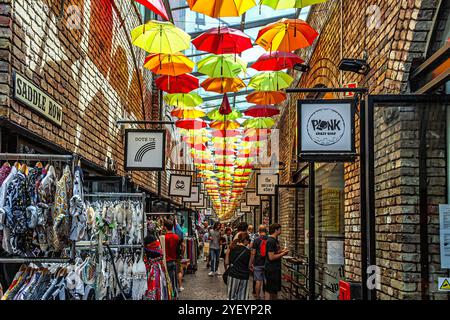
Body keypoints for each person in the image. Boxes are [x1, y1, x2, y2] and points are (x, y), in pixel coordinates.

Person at [264, 223, 289, 300]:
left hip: (275, 269)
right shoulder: (271, 241)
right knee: (270, 289)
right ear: (276, 230)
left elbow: (275, 252)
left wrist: (281, 251)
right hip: (271, 269)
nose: (281, 231)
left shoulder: (275, 240)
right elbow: (271, 257)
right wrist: (283, 254)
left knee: (274, 290)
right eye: (280, 229)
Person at [224, 232, 251, 300]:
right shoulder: (248, 251)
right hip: (244, 276)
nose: (248, 242)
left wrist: (227, 253)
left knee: (231, 297)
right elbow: (249, 265)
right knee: (242, 297)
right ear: (245, 240)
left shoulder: (232, 248)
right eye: (248, 240)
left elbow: (226, 262)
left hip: (233, 275)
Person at [162, 220, 181, 297]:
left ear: (165, 227)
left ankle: (171, 296)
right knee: (174, 280)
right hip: (174, 261)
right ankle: (175, 294)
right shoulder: (176, 237)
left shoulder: (164, 237)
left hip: (166, 262)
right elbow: (178, 250)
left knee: (167, 281)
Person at [250, 225, 268, 300]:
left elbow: (253, 253)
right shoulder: (269, 239)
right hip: (267, 263)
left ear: (259, 231)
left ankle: (257, 297)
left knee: (258, 281)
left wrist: (251, 263)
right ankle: (266, 296)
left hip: (258, 263)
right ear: (266, 231)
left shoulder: (256, 240)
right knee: (266, 281)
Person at [174, 218, 185, 293]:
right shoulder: (179, 233)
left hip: (169, 255)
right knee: (179, 271)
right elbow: (183, 246)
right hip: (177, 254)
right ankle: (180, 286)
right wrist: (182, 254)